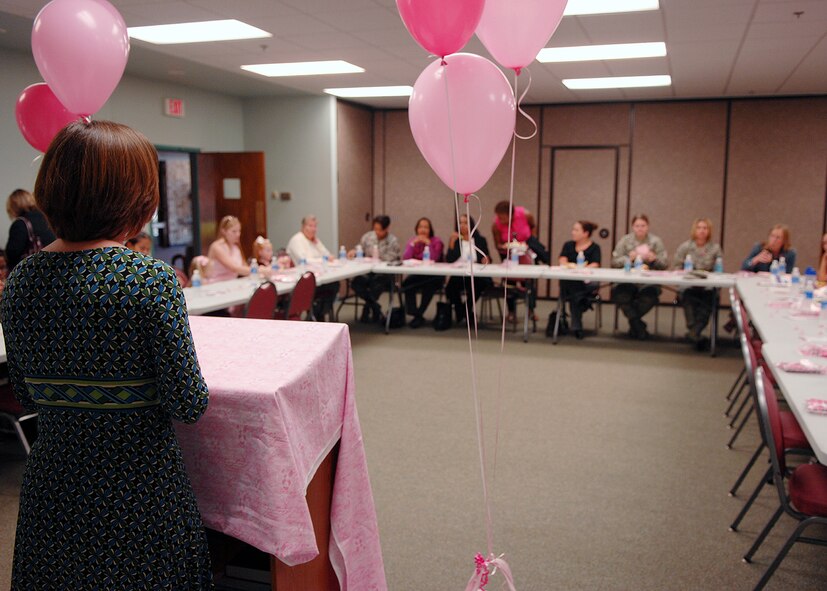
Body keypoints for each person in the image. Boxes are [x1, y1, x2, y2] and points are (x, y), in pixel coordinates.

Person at [0, 120, 212, 589]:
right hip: (136, 492)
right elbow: (188, 403)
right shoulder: (148, 280)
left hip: (55, 488)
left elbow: (28, 396)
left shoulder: (21, 282)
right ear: (134, 198)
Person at [610, 214, 668, 340]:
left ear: (648, 226)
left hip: (649, 282)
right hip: (627, 280)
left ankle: (634, 323)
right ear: (632, 227)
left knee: (649, 298)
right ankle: (638, 325)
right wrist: (628, 259)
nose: (640, 228)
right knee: (620, 295)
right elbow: (614, 262)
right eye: (637, 226)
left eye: (643, 225)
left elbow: (664, 265)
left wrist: (654, 259)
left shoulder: (656, 241)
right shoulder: (625, 241)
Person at [673, 218, 723, 351]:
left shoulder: (715, 248)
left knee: (709, 299)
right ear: (694, 230)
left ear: (709, 231)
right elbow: (676, 267)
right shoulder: (685, 247)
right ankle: (695, 332)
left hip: (707, 287)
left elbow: (719, 270)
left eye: (705, 228)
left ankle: (693, 333)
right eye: (699, 228)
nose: (702, 231)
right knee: (688, 296)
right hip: (688, 285)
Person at [350, 215, 402, 323]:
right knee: (356, 283)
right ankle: (375, 306)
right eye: (375, 229)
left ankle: (367, 307)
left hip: (384, 273)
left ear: (387, 228)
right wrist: (354, 251)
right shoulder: (368, 237)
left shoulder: (392, 241)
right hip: (367, 270)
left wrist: (377, 256)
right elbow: (359, 248)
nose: (377, 232)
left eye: (380, 230)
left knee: (376, 284)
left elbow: (392, 257)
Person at [446, 214, 493, 324]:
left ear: (471, 224)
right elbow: (450, 260)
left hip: (477, 275)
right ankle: (462, 310)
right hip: (460, 274)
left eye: (465, 223)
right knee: (450, 288)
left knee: (480, 284)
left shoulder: (480, 240)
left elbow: (487, 257)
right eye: (460, 223)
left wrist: (486, 259)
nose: (462, 225)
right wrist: (451, 243)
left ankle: (465, 309)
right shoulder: (456, 240)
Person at [558, 221, 601, 339]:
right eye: (573, 229)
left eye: (576, 230)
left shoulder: (595, 247)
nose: (573, 232)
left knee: (575, 291)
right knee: (574, 288)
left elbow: (595, 264)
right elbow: (562, 260)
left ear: (585, 233)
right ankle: (581, 307)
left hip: (587, 282)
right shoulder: (568, 245)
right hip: (570, 282)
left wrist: (581, 269)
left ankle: (581, 305)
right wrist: (570, 266)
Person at [402, 217, 444, 328]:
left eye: (426, 227)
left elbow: (434, 258)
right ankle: (415, 314)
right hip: (419, 274)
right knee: (407, 284)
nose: (423, 230)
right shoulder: (413, 241)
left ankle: (419, 315)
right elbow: (406, 258)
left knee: (429, 287)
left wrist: (429, 244)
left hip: (434, 276)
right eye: (420, 227)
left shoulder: (437, 241)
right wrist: (412, 245)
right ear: (416, 229)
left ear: (430, 230)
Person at [5, 188, 56, 271]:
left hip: (31, 271)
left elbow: (12, 254)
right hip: (52, 266)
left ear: (13, 206)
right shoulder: (46, 218)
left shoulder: (20, 224)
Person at [207, 215, 251, 283]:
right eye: (234, 231)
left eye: (239, 231)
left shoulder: (236, 248)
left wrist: (258, 269)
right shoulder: (217, 247)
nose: (238, 234)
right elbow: (234, 268)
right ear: (223, 231)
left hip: (232, 283)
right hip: (216, 284)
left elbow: (244, 267)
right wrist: (260, 270)